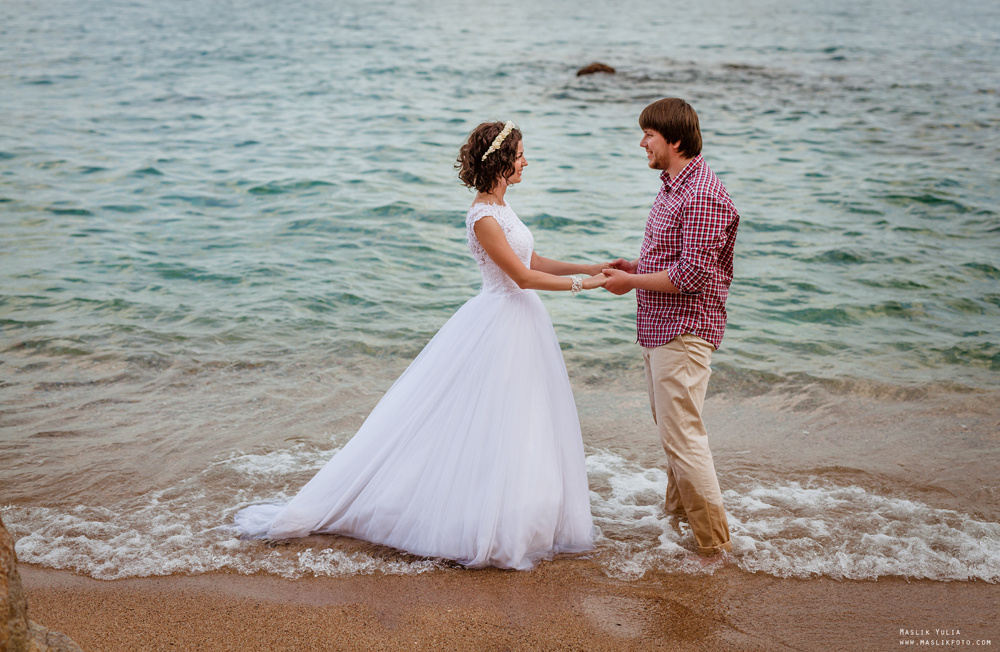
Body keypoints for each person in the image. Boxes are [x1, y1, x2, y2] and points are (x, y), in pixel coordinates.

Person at [234, 121, 607, 570]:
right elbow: (523, 277)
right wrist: (589, 286)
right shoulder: (484, 217)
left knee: (522, 422)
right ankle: (477, 519)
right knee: (497, 421)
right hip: (501, 323)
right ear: (501, 161)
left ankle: (521, 511)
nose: (527, 161)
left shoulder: (503, 210)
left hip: (521, 323)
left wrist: (598, 265)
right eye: (522, 154)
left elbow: (535, 260)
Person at [602, 98, 739, 558]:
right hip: (661, 328)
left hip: (684, 330)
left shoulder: (701, 195)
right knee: (675, 437)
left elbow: (691, 277)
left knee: (683, 439)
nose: (642, 142)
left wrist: (629, 282)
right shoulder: (673, 187)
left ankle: (714, 545)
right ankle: (679, 529)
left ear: (674, 140)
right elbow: (674, 261)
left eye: (649, 135)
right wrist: (635, 266)